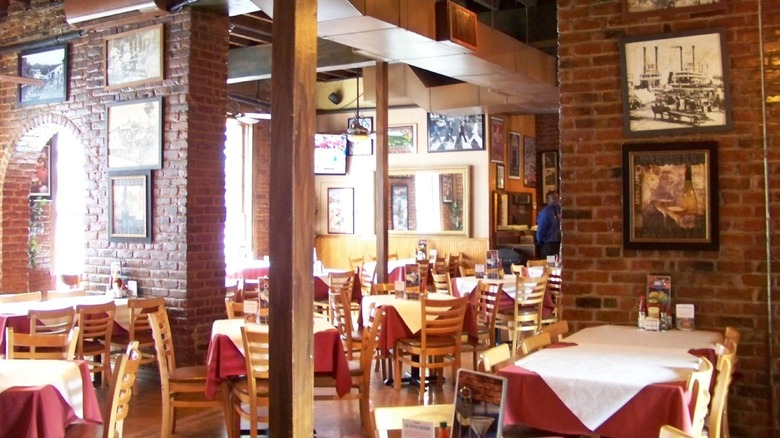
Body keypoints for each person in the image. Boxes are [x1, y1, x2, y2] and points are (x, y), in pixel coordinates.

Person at [536, 191, 561, 259]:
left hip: (558, 244)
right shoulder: (545, 213)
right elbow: (541, 231)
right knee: (549, 266)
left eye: (557, 198)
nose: (556, 200)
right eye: (553, 198)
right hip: (548, 245)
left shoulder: (559, 211)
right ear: (548, 200)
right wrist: (540, 243)